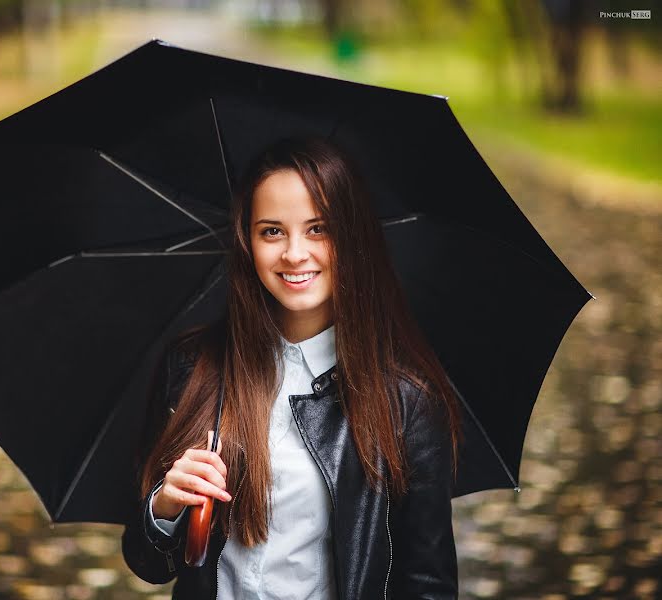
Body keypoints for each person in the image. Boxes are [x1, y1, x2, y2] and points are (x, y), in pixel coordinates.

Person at [121, 136, 462, 599]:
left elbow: (427, 583)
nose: (295, 253)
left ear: (351, 236)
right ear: (248, 243)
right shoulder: (194, 366)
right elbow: (148, 563)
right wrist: (165, 504)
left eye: (318, 229)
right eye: (272, 231)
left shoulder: (406, 400)